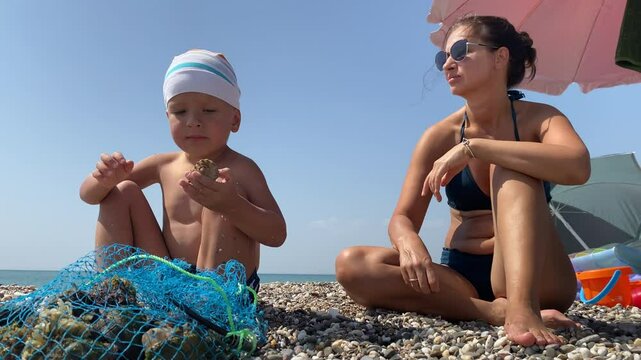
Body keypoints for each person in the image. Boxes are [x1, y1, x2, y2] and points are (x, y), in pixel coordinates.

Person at [335, 15, 590, 347]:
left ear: (500, 57)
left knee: (508, 166)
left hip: (540, 277)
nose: (448, 64)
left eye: (460, 51)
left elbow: (578, 166)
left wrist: (475, 148)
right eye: (443, 57)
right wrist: (410, 243)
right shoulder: (439, 136)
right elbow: (402, 218)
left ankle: (522, 306)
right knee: (352, 265)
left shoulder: (541, 119)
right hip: (460, 276)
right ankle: (493, 312)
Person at [79, 49, 287, 293]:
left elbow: (276, 234)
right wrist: (103, 180)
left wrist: (232, 205)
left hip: (225, 285)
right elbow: (88, 196)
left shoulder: (243, 169)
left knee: (219, 203)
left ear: (235, 120)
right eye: (180, 112)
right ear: (168, 117)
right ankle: (111, 294)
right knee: (121, 190)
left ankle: (209, 307)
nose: (193, 121)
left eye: (209, 111)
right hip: (169, 276)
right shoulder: (163, 164)